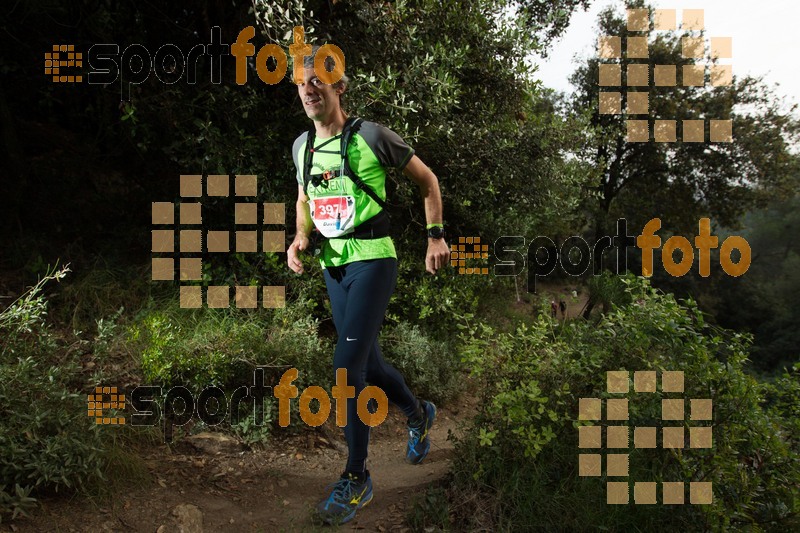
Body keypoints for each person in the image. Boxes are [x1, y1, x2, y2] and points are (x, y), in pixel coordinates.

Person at [286, 48, 450, 526]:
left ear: (340, 86)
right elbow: (303, 197)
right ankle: (418, 414)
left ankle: (357, 477)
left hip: (374, 260)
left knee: (344, 367)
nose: (309, 89)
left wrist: (435, 236)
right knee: (368, 362)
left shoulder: (373, 137)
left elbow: (427, 180)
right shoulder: (302, 147)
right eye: (302, 83)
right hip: (333, 265)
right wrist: (300, 237)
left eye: (319, 81)